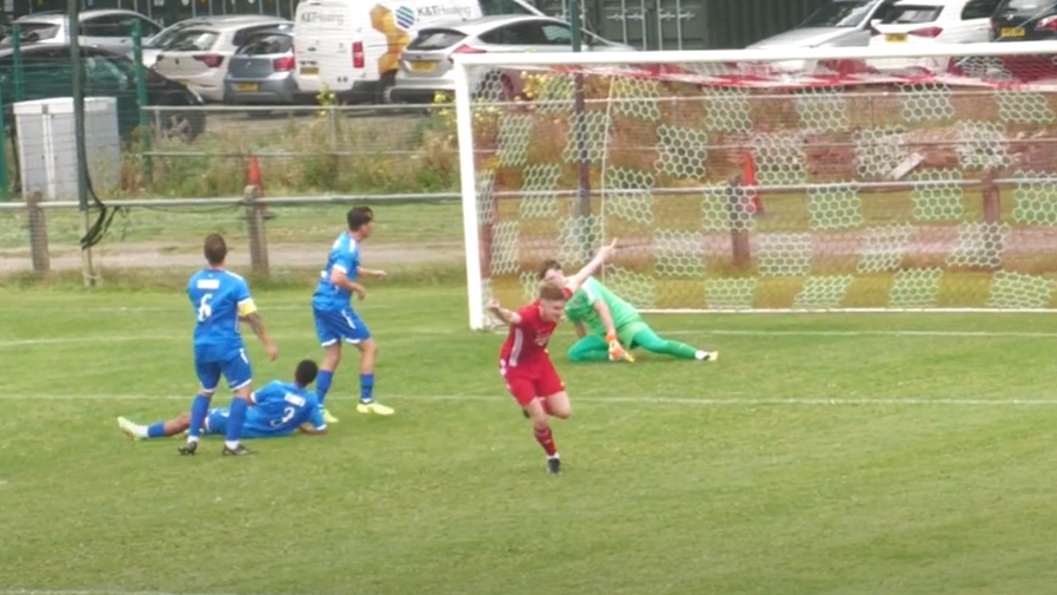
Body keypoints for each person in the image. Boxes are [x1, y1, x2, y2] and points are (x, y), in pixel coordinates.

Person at [490, 239, 618, 476]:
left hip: (540, 361)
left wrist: (601, 257)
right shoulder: (528, 316)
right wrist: (497, 311)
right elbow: (512, 318)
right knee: (541, 419)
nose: (561, 315)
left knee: (564, 412)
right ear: (543, 305)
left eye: (562, 309)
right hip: (516, 367)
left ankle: (532, 406)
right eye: (556, 311)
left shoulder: (560, 298)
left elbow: (580, 277)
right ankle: (553, 457)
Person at [180, 234, 279, 457]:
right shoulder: (235, 282)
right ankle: (232, 444)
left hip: (202, 343)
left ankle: (192, 439)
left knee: (205, 390)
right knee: (242, 391)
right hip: (227, 345)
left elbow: (213, 310)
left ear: (205, 255)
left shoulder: (194, 281)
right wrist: (268, 344)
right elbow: (252, 316)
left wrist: (231, 316)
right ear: (226, 254)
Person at [539, 260, 718, 364]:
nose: (552, 282)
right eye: (548, 281)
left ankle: (701, 354)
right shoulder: (562, 301)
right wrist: (585, 342)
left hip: (625, 322)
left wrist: (612, 337)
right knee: (575, 354)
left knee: (656, 345)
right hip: (604, 333)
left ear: (561, 272)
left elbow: (603, 308)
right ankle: (616, 355)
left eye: (553, 277)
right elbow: (578, 324)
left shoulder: (585, 284)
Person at [311, 206, 392, 423]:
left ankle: (316, 407)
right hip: (334, 305)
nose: (372, 227)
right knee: (369, 347)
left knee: (332, 355)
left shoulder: (344, 240)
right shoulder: (348, 249)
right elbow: (338, 278)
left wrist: (372, 274)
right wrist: (358, 288)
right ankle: (366, 401)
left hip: (321, 301)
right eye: (371, 223)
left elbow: (346, 269)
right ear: (363, 226)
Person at [119, 360, 326, 440]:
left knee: (190, 417)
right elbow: (321, 428)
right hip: (262, 430)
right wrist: (301, 426)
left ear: (295, 372)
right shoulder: (311, 401)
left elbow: (247, 401)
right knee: (202, 420)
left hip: (242, 423)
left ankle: (142, 433)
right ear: (311, 380)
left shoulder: (276, 387)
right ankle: (193, 431)